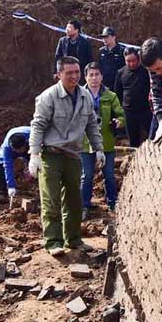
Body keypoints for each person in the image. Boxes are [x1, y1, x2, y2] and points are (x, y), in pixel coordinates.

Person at [28, 57, 105, 255]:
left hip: (73, 154)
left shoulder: (85, 97)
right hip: (51, 154)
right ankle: (53, 242)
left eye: (77, 72)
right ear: (59, 74)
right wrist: (34, 154)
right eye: (69, 73)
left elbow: (91, 125)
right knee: (51, 199)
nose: (74, 76)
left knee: (74, 200)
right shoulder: (49, 97)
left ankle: (73, 239)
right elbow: (37, 126)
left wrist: (99, 148)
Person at [81, 63, 125, 216]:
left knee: (109, 176)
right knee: (86, 176)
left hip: (106, 142)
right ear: (85, 77)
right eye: (91, 75)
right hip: (85, 144)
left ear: (101, 76)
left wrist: (119, 121)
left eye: (97, 75)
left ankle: (113, 203)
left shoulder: (110, 96)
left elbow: (120, 114)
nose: (94, 78)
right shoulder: (79, 95)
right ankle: (84, 206)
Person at [115, 47, 152, 147]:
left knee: (153, 136)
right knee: (133, 141)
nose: (131, 64)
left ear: (139, 58)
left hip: (146, 110)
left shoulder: (146, 71)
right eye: (128, 61)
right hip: (129, 112)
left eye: (134, 60)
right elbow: (117, 93)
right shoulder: (121, 73)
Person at [0, 126, 31, 205]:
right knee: (0, 161)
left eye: (19, 150)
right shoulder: (8, 147)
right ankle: (0, 192)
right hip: (13, 142)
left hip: (33, 145)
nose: (17, 152)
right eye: (15, 150)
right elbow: (7, 165)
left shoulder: (32, 137)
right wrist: (11, 186)